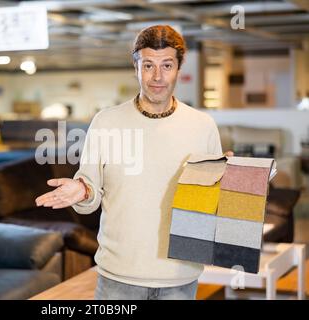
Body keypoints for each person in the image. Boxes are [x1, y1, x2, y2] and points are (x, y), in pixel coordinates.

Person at [35, 25, 233, 300]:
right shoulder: (107, 121)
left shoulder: (203, 126)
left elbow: (212, 199)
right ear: (135, 66)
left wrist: (233, 178)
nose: (157, 76)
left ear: (178, 68)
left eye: (167, 65)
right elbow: (90, 188)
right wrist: (83, 190)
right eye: (148, 65)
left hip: (179, 276)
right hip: (118, 275)